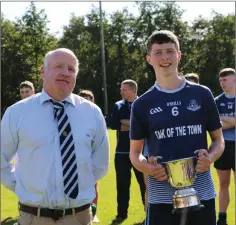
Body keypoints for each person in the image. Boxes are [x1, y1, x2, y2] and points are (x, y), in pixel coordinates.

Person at [1, 48, 109, 225]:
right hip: (33, 218)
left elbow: (100, 165)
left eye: (71, 69)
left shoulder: (92, 113)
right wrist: (24, 188)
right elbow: (1, 160)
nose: (65, 73)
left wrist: (76, 187)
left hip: (79, 216)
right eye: (58, 66)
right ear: (43, 71)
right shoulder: (17, 113)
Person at [129, 30, 224, 225]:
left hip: (202, 193)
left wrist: (210, 158)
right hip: (161, 198)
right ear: (149, 59)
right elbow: (135, 154)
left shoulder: (202, 94)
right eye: (158, 52)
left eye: (170, 51)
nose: (164, 57)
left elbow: (218, 141)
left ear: (179, 55)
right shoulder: (142, 104)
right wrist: (149, 168)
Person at [110, 79, 146, 223]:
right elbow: (114, 125)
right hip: (122, 153)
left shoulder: (143, 104)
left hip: (141, 153)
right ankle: (121, 214)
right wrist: (136, 125)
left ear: (133, 91)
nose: (121, 92)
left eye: (124, 89)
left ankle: (148, 211)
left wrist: (125, 122)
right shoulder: (118, 106)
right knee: (122, 185)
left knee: (144, 184)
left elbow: (146, 125)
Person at [214, 68, 235, 225]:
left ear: (234, 80)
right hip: (223, 146)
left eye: (225, 80)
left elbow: (220, 122)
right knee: (223, 184)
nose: (222, 83)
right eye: (220, 81)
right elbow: (215, 126)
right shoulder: (217, 101)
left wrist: (222, 119)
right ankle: (222, 218)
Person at [78, 89, 100, 223]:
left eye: (89, 99)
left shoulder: (96, 116)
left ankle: (93, 211)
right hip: (77, 157)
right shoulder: (73, 115)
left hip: (93, 155)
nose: (86, 102)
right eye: (83, 99)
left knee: (94, 184)